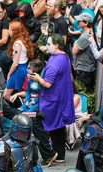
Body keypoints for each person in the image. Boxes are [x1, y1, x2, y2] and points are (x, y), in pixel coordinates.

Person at [29, 35, 75, 164]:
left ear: (56, 45)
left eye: (49, 44)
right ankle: (60, 155)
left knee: (38, 123)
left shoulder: (55, 62)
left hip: (52, 99)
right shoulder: (64, 57)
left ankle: (49, 154)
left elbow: (47, 83)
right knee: (58, 126)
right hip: (60, 97)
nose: (47, 46)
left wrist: (37, 78)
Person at [4, 21, 34, 102]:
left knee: (6, 95)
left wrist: (9, 74)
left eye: (10, 30)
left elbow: (15, 63)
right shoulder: (24, 41)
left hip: (18, 70)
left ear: (15, 32)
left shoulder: (17, 44)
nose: (8, 32)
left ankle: (19, 108)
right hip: (24, 69)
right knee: (20, 92)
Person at [72, 13, 96, 93]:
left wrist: (76, 43)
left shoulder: (85, 35)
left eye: (80, 20)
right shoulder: (89, 33)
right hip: (87, 67)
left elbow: (74, 51)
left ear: (86, 23)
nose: (77, 22)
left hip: (84, 69)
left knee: (84, 92)